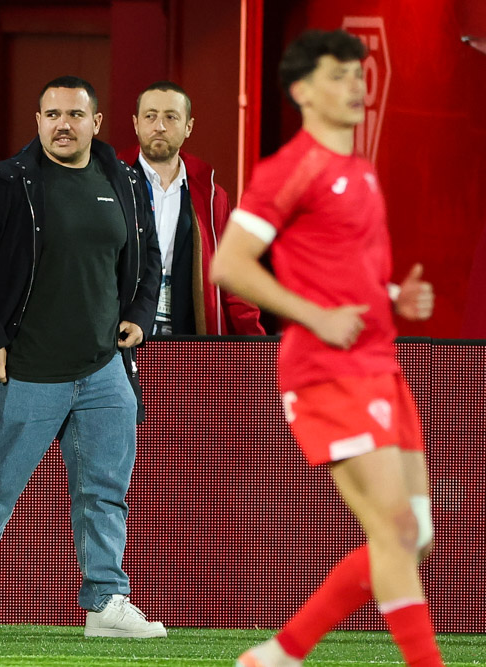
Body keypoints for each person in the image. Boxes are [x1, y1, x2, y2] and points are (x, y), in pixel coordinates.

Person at [210, 30, 442, 667]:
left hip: (379, 365)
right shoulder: (292, 168)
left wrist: (395, 295)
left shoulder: (359, 170)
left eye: (356, 74)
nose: (354, 86)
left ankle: (279, 655)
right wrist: (314, 315)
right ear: (301, 90)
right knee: (394, 530)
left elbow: (344, 267)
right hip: (326, 371)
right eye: (337, 75)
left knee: (413, 533)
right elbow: (228, 264)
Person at [0, 76, 165, 638]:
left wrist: (140, 310)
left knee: (105, 490)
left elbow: (148, 253)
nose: (64, 124)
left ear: (96, 122)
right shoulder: (7, 182)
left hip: (105, 370)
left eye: (75, 115)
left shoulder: (125, 181)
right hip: (28, 368)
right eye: (52, 114)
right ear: (36, 121)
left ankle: (106, 602)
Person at [118, 81, 263, 335]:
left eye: (170, 117)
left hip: (186, 333)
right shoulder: (112, 183)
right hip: (120, 333)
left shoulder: (212, 196)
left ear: (189, 127)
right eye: (150, 116)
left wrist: (257, 347)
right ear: (136, 123)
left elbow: (232, 276)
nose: (159, 126)